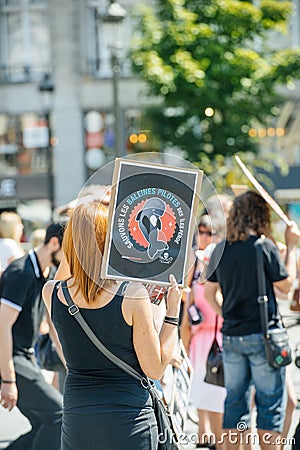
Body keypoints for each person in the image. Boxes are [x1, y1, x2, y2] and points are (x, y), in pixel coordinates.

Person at [42, 201, 182, 450]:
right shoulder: (133, 295)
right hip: (130, 420)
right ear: (111, 242)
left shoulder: (52, 292)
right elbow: (155, 369)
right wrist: (172, 314)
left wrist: (79, 231)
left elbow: (68, 270)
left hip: (78, 421)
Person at [204, 190, 300, 450]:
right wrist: (291, 247)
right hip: (263, 336)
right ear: (260, 215)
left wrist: (227, 315)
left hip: (232, 336)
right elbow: (286, 286)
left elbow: (209, 293)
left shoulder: (220, 249)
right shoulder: (262, 246)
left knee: (235, 403)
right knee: (270, 406)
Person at [0, 222, 65, 450]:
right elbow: (2, 327)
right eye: (67, 251)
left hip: (25, 357)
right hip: (11, 357)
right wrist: (8, 379)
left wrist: (68, 360)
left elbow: (52, 322)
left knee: (44, 422)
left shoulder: (48, 273)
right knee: (59, 416)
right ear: (54, 243)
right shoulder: (21, 272)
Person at [181, 215, 226, 449]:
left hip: (219, 336)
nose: (204, 237)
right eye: (201, 231)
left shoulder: (222, 258)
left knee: (218, 396)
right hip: (199, 337)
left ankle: (218, 442)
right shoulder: (195, 261)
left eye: (210, 232)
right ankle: (203, 437)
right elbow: (185, 294)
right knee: (200, 391)